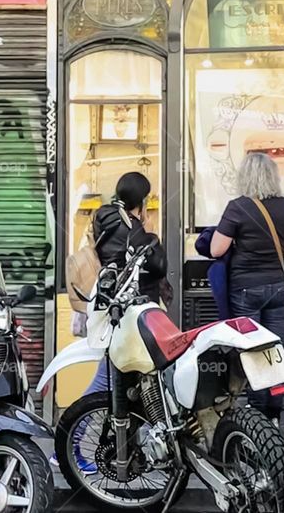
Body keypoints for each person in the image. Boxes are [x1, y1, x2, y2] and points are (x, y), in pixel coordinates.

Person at [55, 171, 167, 472]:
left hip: (117, 316)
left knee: (135, 384)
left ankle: (144, 450)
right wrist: (150, 234)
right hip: (127, 320)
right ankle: (65, 445)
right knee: (106, 383)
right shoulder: (130, 228)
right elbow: (157, 265)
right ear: (141, 201)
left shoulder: (104, 218)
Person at [210, 153, 284, 420]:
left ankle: (257, 415)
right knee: (274, 352)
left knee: (252, 352)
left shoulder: (238, 207)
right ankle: (274, 411)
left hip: (247, 290)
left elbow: (216, 249)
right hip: (277, 288)